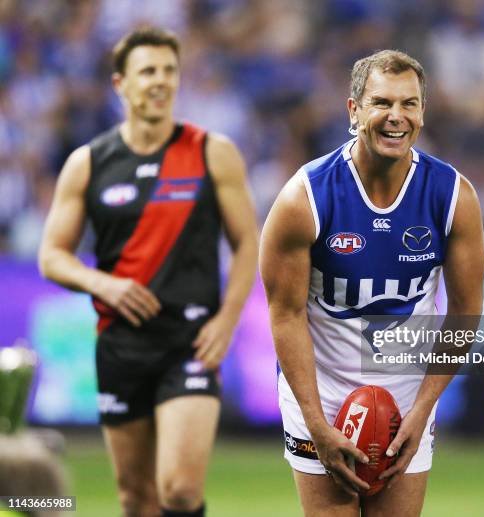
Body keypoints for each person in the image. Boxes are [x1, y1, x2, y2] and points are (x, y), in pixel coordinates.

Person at [38, 27, 258, 517]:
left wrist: (227, 320)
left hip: (190, 342)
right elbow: (52, 254)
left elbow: (248, 243)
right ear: (120, 84)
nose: (161, 81)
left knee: (178, 488)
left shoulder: (211, 152)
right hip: (121, 344)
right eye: (148, 71)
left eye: (169, 71)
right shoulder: (89, 163)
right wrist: (103, 283)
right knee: (135, 499)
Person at [260, 50, 484, 516]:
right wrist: (315, 422)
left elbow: (465, 313)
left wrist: (423, 409)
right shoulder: (303, 198)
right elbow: (285, 314)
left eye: (409, 104)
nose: (396, 117)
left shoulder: (453, 197)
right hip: (320, 392)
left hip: (407, 396)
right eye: (382, 102)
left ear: (423, 112)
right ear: (354, 110)